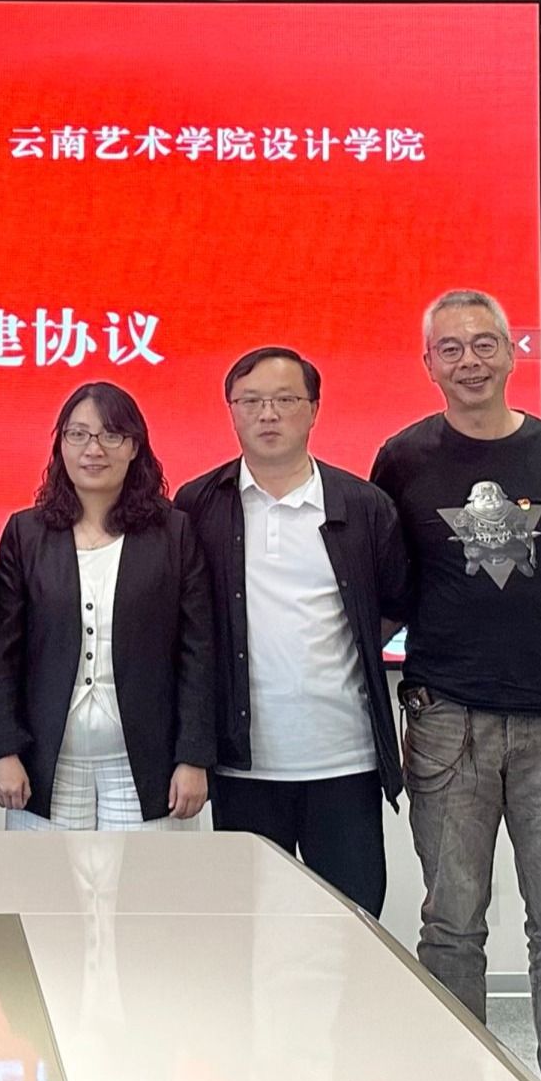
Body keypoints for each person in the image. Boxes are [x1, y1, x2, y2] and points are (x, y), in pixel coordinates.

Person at [369, 289, 541, 1081]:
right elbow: (386, 582)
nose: (469, 360)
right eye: (450, 347)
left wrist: (523, 633)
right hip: (446, 718)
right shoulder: (402, 458)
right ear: (428, 363)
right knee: (451, 921)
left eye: (484, 343)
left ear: (513, 353)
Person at [177, 347, 409, 915]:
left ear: (314, 410)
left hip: (345, 759)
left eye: (285, 400)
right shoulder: (197, 505)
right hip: (242, 763)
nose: (268, 414)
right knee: (250, 925)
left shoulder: (363, 505)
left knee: (353, 922)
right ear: (231, 411)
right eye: (251, 401)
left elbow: (395, 604)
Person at [0, 382, 217, 830]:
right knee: (47, 878)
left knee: (143, 878)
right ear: (61, 445)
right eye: (78, 434)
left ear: (134, 447)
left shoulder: (173, 533)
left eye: (111, 435)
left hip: (146, 763)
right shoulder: (26, 534)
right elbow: (4, 653)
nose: (94, 449)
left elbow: (198, 651)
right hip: (46, 762)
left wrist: (193, 756)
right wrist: (5, 750)